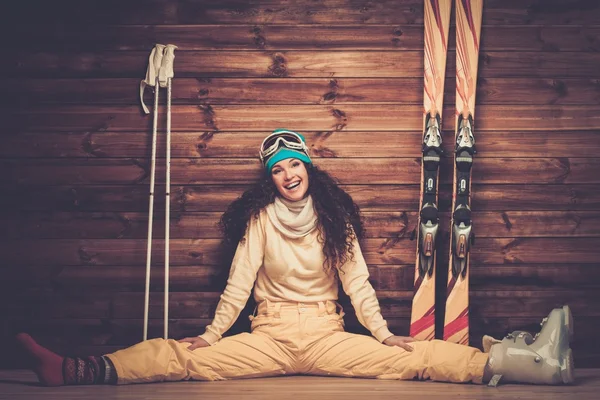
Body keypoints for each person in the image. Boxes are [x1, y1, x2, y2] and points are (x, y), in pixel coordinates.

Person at [16, 129, 574, 387]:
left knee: (417, 359)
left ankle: (530, 365)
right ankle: (74, 370)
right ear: (271, 178)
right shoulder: (260, 220)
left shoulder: (336, 220)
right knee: (184, 360)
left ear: (309, 167)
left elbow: (358, 284)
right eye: (277, 168)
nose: (287, 174)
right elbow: (238, 284)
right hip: (271, 336)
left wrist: (382, 335)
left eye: (294, 164)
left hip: (329, 337)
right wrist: (212, 335)